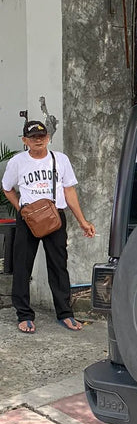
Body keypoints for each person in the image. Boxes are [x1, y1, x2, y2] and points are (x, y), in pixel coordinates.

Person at [1, 120, 95, 333]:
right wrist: (21, 209)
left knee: (58, 266)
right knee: (23, 266)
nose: (38, 141)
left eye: (42, 137)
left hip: (55, 218)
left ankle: (65, 313)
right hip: (28, 220)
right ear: (25, 140)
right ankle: (24, 314)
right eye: (33, 137)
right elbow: (7, 189)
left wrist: (82, 221)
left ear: (48, 138)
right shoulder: (17, 162)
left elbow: (69, 192)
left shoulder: (60, 160)